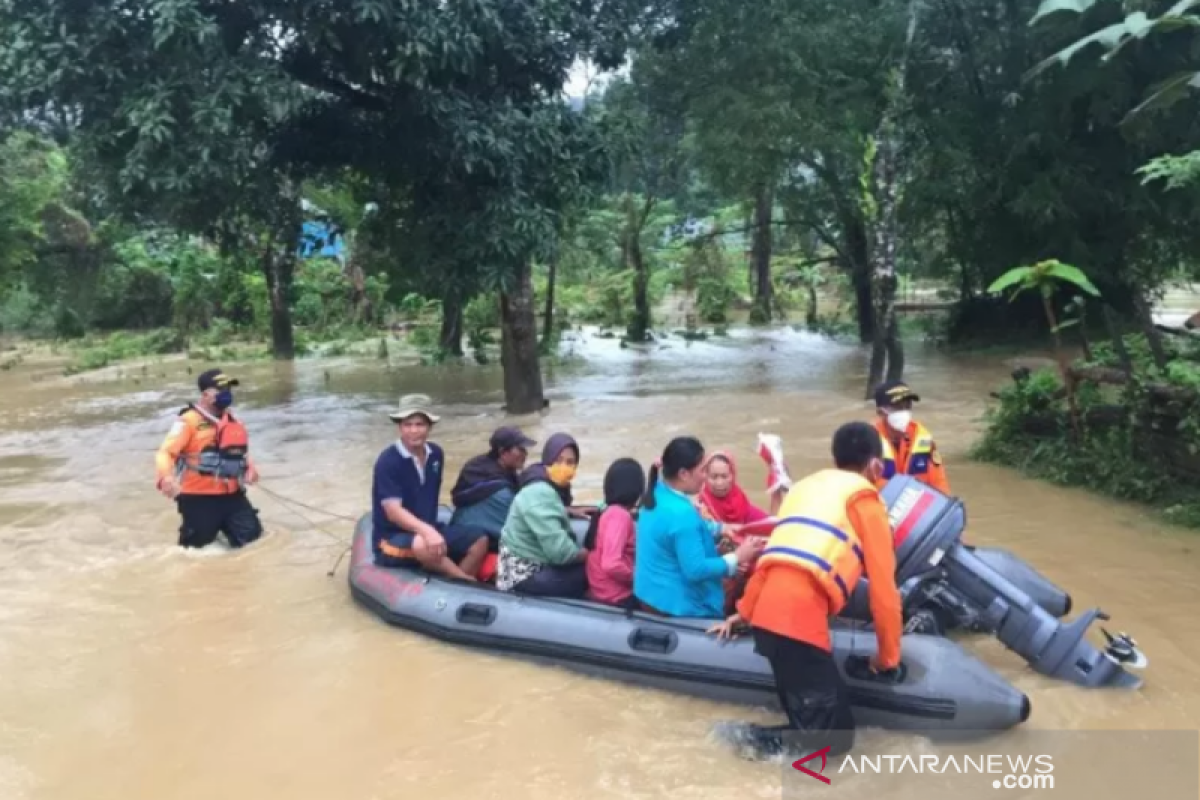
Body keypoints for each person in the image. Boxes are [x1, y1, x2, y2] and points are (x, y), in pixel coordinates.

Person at [709, 421, 903, 760]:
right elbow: (884, 593)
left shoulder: (805, 491)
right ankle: (736, 741)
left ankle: (748, 748)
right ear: (874, 464)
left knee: (815, 721)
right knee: (834, 742)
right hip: (796, 626)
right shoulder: (866, 502)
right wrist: (887, 659)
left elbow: (775, 558)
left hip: (770, 621)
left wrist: (744, 614)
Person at [633, 437, 763, 617]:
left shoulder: (657, 492)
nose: (705, 476)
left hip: (649, 595)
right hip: (675, 605)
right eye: (703, 470)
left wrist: (720, 528)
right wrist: (738, 556)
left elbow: (677, 531)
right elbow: (696, 570)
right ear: (684, 474)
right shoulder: (682, 514)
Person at [371, 394, 489, 581]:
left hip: (428, 528)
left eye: (419, 425)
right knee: (422, 544)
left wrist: (430, 530)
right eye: (407, 425)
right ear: (399, 427)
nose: (413, 431)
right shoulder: (388, 461)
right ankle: (465, 581)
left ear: (429, 427)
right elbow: (393, 511)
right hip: (392, 539)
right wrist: (427, 532)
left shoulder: (436, 454)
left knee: (479, 539)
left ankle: (455, 589)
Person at [155, 368, 262, 549]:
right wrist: (166, 477)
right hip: (199, 499)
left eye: (228, 389)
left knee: (255, 543)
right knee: (195, 552)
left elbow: (240, 454)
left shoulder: (234, 421)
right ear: (205, 394)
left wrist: (251, 469)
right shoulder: (187, 421)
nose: (226, 393)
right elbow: (165, 453)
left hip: (233, 497)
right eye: (221, 389)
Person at [496, 433, 589, 597]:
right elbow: (562, 553)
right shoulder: (539, 491)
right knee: (593, 571)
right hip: (523, 575)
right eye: (558, 460)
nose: (564, 467)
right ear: (548, 459)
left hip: (530, 562)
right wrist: (592, 554)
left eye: (570, 462)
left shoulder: (548, 487)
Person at [448, 426, 537, 539]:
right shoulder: (500, 489)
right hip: (470, 533)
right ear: (503, 451)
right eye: (521, 449)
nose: (525, 454)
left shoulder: (491, 466)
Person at [584, 458, 646, 606]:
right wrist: (640, 578)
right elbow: (611, 564)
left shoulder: (607, 511)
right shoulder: (619, 516)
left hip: (603, 589)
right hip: (615, 595)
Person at [872, 380, 950, 494]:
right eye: (897, 407)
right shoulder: (868, 441)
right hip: (881, 506)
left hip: (917, 506)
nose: (904, 412)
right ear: (880, 412)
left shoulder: (923, 439)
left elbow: (939, 483)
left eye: (907, 406)